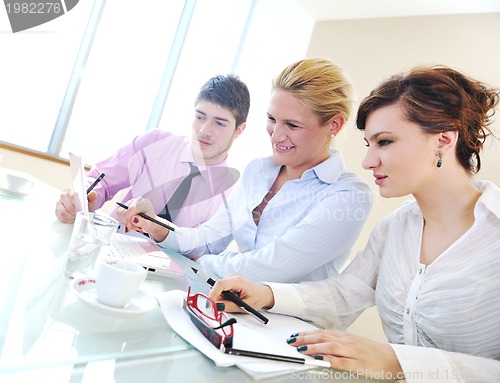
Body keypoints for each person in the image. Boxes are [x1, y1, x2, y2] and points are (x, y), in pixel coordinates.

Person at [207, 66, 500, 381]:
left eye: (384, 142)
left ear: (443, 140)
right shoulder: (394, 228)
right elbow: (345, 293)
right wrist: (266, 294)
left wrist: (399, 362)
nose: (368, 161)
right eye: (368, 145)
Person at [119, 58, 373, 283]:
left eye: (292, 125)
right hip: (231, 305)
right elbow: (209, 237)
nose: (276, 135)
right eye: (272, 119)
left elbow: (270, 268)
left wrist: (203, 262)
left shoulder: (348, 195)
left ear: (334, 125)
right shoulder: (257, 171)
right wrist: (158, 227)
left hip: (286, 327)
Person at [55, 74, 250, 228]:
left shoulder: (233, 193)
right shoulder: (155, 143)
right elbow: (102, 180)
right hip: (109, 251)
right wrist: (82, 198)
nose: (204, 130)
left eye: (219, 123)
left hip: (165, 277)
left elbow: (203, 252)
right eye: (200, 117)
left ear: (239, 130)